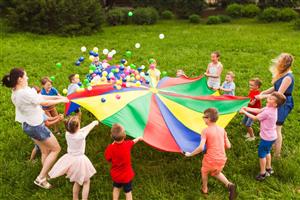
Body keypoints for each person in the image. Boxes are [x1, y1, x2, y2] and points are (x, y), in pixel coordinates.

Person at [2, 68, 69, 189]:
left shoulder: (17, 91)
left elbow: (41, 96)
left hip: (27, 125)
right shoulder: (24, 93)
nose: (27, 78)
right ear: (20, 79)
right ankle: (41, 178)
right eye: (25, 76)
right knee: (56, 149)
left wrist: (58, 97)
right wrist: (62, 100)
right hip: (36, 126)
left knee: (45, 151)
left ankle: (46, 174)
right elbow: (43, 102)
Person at [184, 108, 236, 200]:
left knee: (204, 171)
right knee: (216, 172)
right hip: (222, 159)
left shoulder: (205, 131)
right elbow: (228, 146)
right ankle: (229, 184)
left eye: (203, 117)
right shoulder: (222, 129)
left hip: (210, 159)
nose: (203, 118)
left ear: (208, 119)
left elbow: (201, 147)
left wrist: (190, 154)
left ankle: (205, 189)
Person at [49, 117, 98, 200]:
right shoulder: (81, 136)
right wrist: (94, 123)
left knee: (77, 181)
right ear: (77, 127)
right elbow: (87, 130)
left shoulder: (67, 134)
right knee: (86, 181)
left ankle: (75, 198)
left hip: (70, 159)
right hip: (80, 161)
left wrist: (92, 123)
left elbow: (81, 130)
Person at [255, 53, 295, 158]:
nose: (277, 62)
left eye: (279, 61)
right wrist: (263, 92)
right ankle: (269, 148)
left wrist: (263, 97)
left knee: (277, 128)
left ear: (284, 64)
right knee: (272, 126)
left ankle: (277, 155)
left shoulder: (288, 77)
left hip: (283, 102)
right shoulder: (282, 74)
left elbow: (279, 94)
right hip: (277, 101)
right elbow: (275, 87)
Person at [240, 92, 286, 181]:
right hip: (272, 136)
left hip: (267, 138)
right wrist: (247, 108)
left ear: (275, 104)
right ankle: (269, 168)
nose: (268, 98)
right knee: (267, 152)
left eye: (270, 98)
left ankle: (263, 173)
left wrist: (244, 112)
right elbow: (259, 110)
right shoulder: (270, 108)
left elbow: (255, 118)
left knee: (262, 155)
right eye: (269, 97)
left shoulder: (269, 112)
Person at [104, 124, 143, 200]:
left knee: (116, 188)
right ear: (124, 136)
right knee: (128, 192)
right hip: (126, 176)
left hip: (116, 175)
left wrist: (112, 145)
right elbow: (133, 141)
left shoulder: (110, 148)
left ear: (111, 136)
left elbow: (108, 159)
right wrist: (138, 138)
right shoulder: (127, 144)